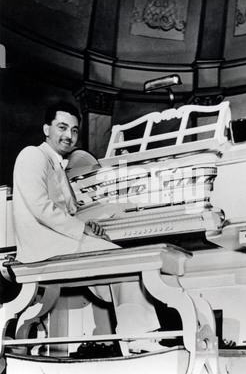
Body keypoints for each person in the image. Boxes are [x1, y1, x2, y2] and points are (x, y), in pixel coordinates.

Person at [12, 101, 162, 355]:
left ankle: (136, 338)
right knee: (126, 260)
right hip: (42, 245)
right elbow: (40, 207)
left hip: (57, 240)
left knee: (123, 258)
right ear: (46, 129)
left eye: (74, 130)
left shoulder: (58, 164)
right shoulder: (32, 155)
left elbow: (69, 211)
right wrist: (82, 229)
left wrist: (87, 223)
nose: (68, 135)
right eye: (62, 127)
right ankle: (138, 340)